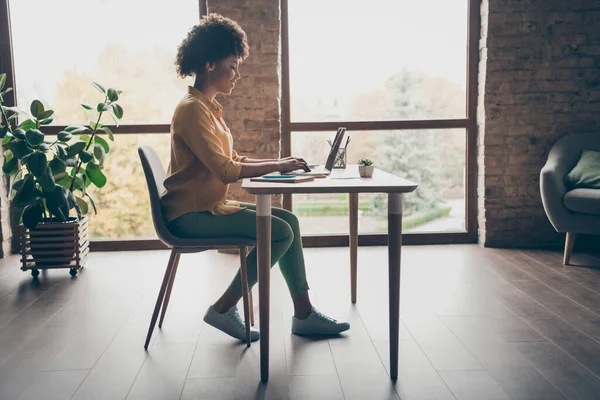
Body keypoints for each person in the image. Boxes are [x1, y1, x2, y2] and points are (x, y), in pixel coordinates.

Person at [161, 14, 350, 342]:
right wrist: (279, 164)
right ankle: (223, 307)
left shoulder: (208, 108)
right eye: (232, 66)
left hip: (208, 209)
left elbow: (233, 161)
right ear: (209, 64)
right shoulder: (193, 109)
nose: (237, 74)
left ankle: (304, 314)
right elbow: (226, 170)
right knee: (278, 233)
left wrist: (280, 164)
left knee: (288, 221)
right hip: (189, 217)